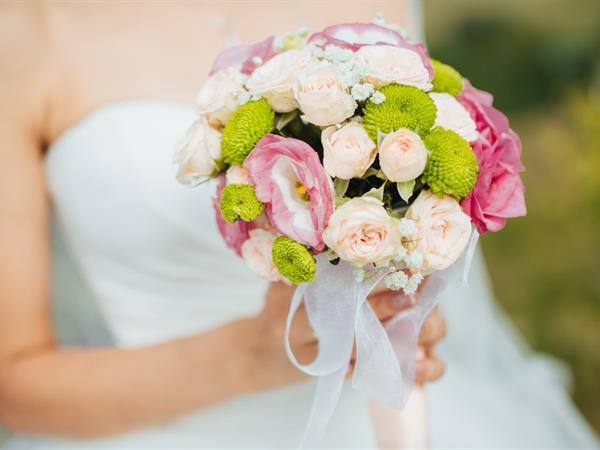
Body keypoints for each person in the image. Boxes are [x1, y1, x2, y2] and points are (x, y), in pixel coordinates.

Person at [0, 2, 597, 449]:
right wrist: (253, 355)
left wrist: (409, 309)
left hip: (393, 421)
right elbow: (13, 378)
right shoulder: (29, 29)